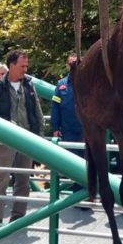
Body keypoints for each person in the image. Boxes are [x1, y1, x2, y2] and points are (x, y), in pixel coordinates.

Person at [0, 50, 44, 226]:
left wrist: (39, 136)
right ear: (11, 66)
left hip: (26, 138)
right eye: (22, 66)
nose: (25, 69)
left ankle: (18, 216)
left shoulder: (29, 85)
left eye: (26, 66)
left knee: (23, 180)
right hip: (5, 140)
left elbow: (38, 112)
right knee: (2, 180)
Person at [50, 54, 85, 192]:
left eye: (76, 64)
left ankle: (85, 193)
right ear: (67, 66)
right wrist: (55, 128)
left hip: (86, 131)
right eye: (71, 65)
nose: (74, 67)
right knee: (73, 163)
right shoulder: (61, 85)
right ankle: (78, 192)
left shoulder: (88, 83)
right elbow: (55, 107)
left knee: (86, 163)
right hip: (68, 130)